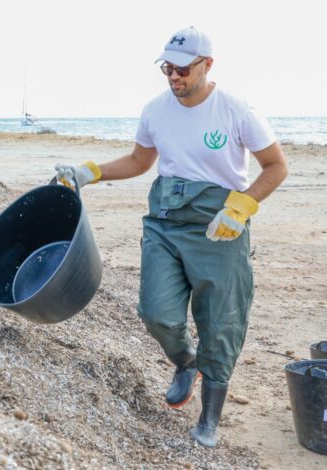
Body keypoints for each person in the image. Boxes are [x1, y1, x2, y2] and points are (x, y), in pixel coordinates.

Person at [55, 26, 287, 447]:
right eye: (167, 68)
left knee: (220, 323)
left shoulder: (236, 110)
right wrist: (91, 172)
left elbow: (275, 166)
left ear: (207, 65)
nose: (174, 76)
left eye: (182, 68)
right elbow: (140, 160)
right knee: (156, 312)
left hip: (219, 228)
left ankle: (210, 417)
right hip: (164, 221)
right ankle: (185, 361)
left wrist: (241, 208)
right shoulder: (156, 110)